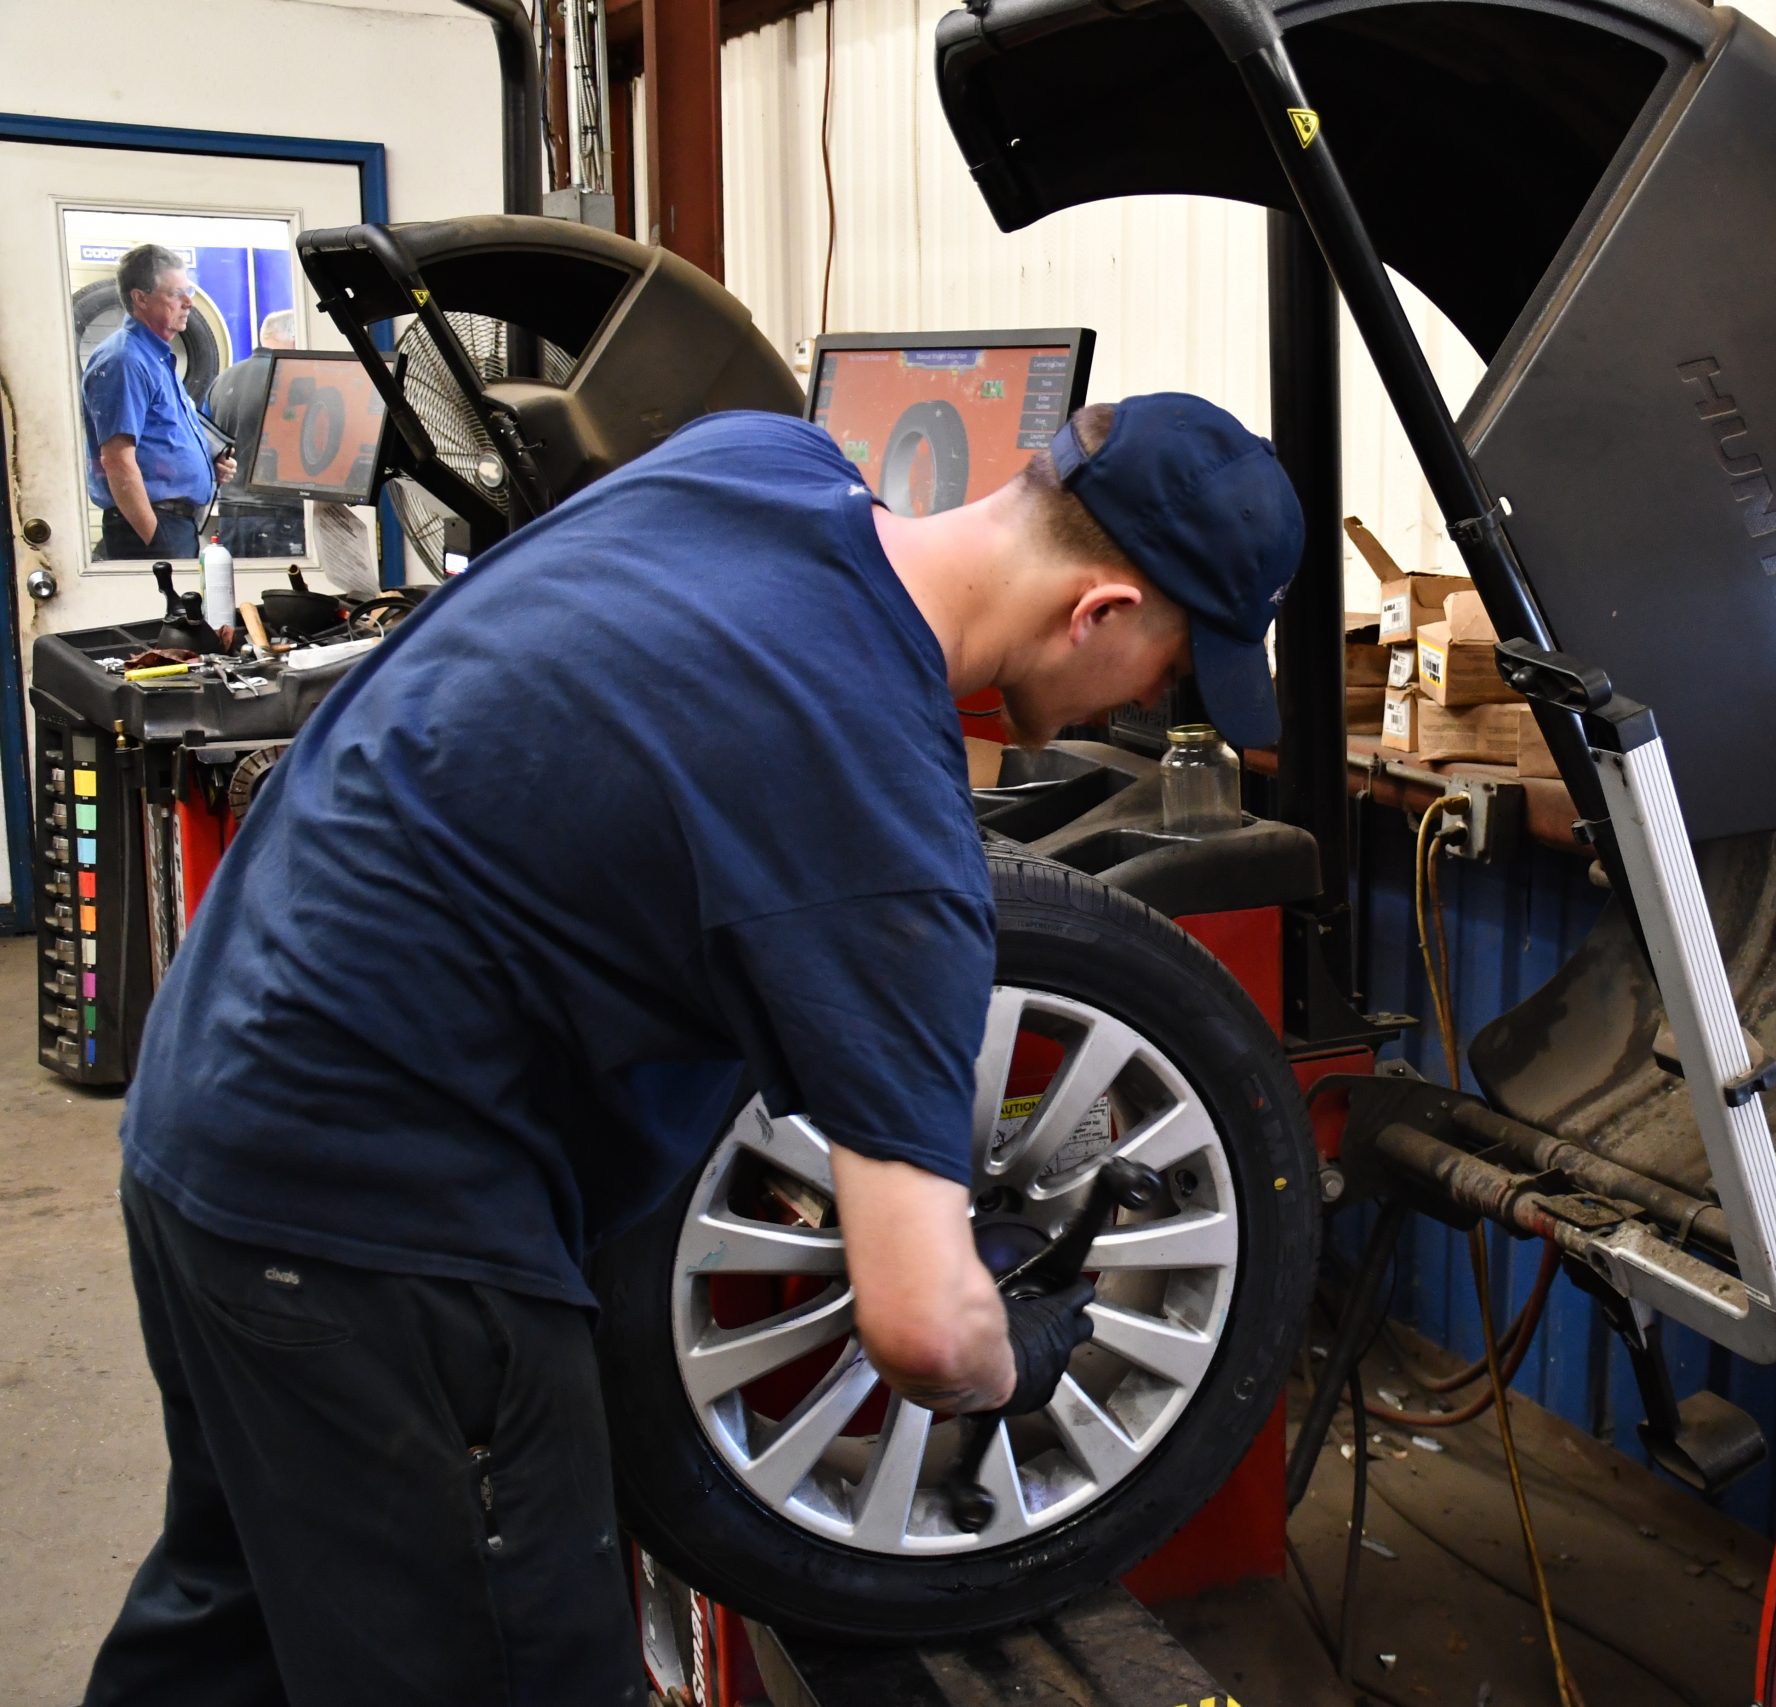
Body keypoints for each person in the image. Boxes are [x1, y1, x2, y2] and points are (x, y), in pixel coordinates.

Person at [82, 394, 1302, 1704]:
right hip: (386, 1226)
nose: (1156, 703)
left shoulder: (756, 459)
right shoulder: (888, 839)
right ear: (1100, 611)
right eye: (1174, 671)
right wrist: (1024, 1347)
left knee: (235, 1628)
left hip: (201, 1107)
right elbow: (925, 1326)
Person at [81, 243, 233, 561]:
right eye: (176, 294)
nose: (189, 302)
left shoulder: (157, 358)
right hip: (150, 530)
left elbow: (160, 441)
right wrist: (156, 541)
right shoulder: (124, 360)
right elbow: (118, 461)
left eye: (187, 291)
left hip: (173, 525)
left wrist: (207, 465)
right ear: (141, 298)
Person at [205, 309, 307, 560]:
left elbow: (209, 444)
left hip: (231, 516)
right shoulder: (295, 380)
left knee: (239, 595)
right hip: (280, 517)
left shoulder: (221, 380)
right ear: (296, 338)